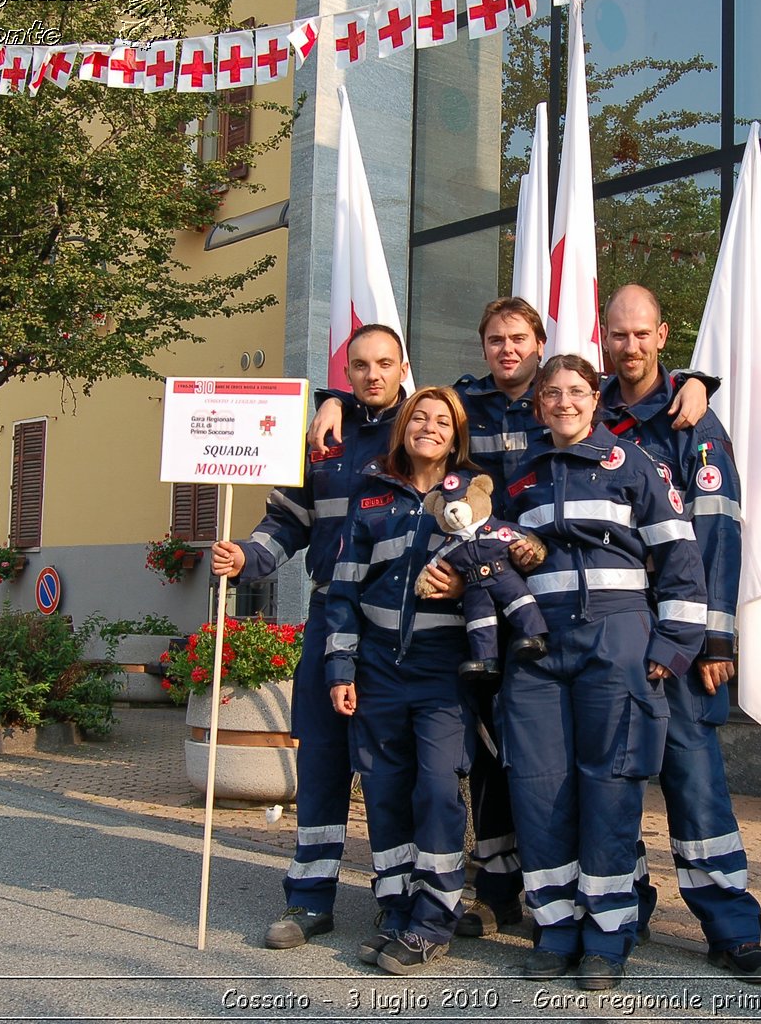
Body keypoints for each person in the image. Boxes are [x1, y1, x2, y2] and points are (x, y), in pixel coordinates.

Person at [304, 298, 717, 939]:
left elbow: (679, 530)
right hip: (509, 639)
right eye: (495, 338)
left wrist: (696, 381)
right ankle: (503, 900)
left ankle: (634, 912)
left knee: (622, 777)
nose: (508, 349)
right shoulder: (491, 451)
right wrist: (333, 395)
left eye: (519, 339)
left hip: (605, 635)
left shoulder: (614, 443)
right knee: (515, 775)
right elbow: (424, 440)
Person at [597, 284, 761, 983]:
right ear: (604, 336)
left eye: (642, 334)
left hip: (676, 643)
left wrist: (714, 639)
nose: (631, 346)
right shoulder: (592, 413)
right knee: (612, 783)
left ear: (662, 333)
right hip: (611, 641)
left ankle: (732, 930)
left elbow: (718, 533)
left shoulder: (691, 423)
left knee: (696, 784)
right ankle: (624, 910)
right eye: (619, 335)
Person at [502, 354, 708, 990]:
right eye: (552, 394)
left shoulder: (633, 465)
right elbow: (496, 560)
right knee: (538, 789)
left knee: (611, 786)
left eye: (576, 393)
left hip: (615, 642)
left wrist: (671, 647)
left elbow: (679, 557)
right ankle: (555, 927)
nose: (564, 403)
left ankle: (607, 935)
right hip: (537, 651)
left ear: (596, 400)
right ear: (538, 406)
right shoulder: (520, 478)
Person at [208, 323, 411, 950]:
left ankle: (398, 900)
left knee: (388, 768)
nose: (371, 374)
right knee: (321, 759)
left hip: (396, 622)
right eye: (359, 366)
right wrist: (246, 556)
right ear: (345, 374)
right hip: (329, 615)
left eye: (383, 363)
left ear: (404, 366)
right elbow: (286, 522)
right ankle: (310, 898)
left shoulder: (426, 431)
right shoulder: (323, 439)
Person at [324, 387, 481, 975]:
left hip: (443, 669)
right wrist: (341, 667)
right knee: (385, 789)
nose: (430, 427)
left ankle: (434, 916)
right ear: (404, 427)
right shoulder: (371, 495)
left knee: (438, 788)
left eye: (443, 420)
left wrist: (467, 585)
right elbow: (342, 593)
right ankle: (395, 905)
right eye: (420, 417)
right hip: (378, 670)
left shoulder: (473, 494)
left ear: (456, 434)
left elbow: (496, 568)